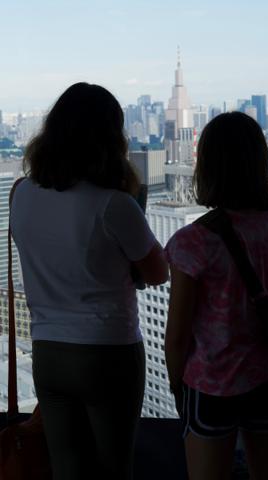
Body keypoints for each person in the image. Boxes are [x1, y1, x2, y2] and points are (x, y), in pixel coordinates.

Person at [10, 82, 168, 480]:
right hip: (106, 351)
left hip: (47, 352)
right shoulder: (114, 204)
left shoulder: (20, 193)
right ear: (111, 138)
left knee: (66, 469)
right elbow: (157, 272)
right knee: (114, 468)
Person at [165, 112, 268, 480]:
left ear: (207, 166)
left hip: (210, 382)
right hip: (266, 377)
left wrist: (179, 387)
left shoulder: (194, 241)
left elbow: (176, 336)